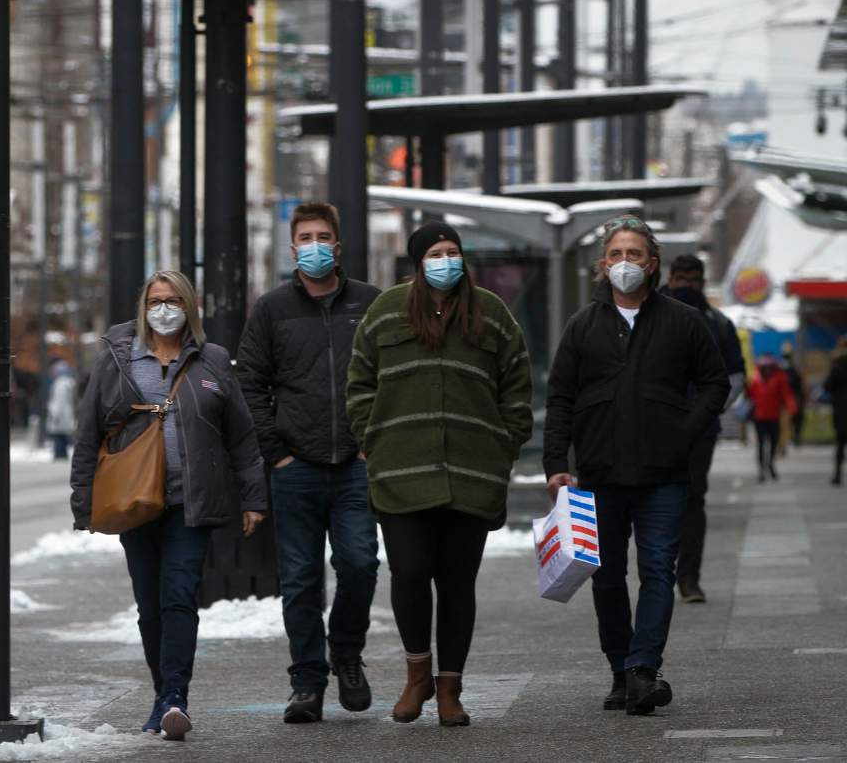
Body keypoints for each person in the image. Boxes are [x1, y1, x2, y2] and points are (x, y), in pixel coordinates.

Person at [347, 221, 533, 727]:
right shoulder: (386, 311)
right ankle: (416, 677)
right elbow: (359, 379)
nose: (445, 260)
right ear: (417, 261)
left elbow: (517, 381)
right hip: (400, 473)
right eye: (435, 252)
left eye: (453, 251)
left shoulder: (490, 313)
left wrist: (504, 445)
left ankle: (450, 687)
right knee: (407, 574)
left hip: (472, 474)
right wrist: (373, 439)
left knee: (457, 584)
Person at [544, 214, 729, 717]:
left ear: (653, 265)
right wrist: (556, 463)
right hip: (600, 474)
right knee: (605, 577)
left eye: (635, 255)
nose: (625, 263)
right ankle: (620, 669)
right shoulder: (583, 326)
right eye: (616, 255)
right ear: (603, 266)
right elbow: (560, 397)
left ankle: (643, 669)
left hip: (664, 475)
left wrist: (684, 431)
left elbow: (716, 384)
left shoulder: (683, 322)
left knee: (656, 570)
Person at [70, 270, 267, 741]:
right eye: (155, 300)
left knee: (179, 596)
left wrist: (253, 496)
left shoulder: (213, 361)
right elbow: (88, 435)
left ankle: (175, 696)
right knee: (149, 604)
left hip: (189, 504)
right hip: (134, 501)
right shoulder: (117, 361)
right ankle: (163, 696)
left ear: (189, 307)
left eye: (173, 300)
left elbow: (241, 435)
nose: (163, 309)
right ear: (143, 308)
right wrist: (83, 503)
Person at [236, 202, 381, 723]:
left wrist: (373, 443)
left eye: (324, 236)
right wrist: (276, 453)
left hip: (355, 465)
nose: (315, 245)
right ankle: (307, 682)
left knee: (361, 563)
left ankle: (345, 650)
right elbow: (249, 382)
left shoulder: (370, 303)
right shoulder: (272, 308)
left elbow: (391, 376)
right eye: (306, 237)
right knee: (299, 579)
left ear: (337, 246)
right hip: (294, 466)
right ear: (292, 246)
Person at [658, 254, 745, 604]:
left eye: (693, 280)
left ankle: (689, 577)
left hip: (698, 430)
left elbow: (735, 375)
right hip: (652, 427)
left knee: (692, 501)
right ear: (668, 277)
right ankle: (659, 573)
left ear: (703, 281)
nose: (686, 286)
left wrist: (709, 408)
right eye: (680, 278)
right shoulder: (644, 314)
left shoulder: (718, 323)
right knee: (650, 502)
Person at [747, 354, 796, 483]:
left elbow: (786, 394)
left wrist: (791, 407)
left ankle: (771, 464)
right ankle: (761, 470)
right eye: (764, 367)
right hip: (759, 417)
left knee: (774, 442)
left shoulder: (780, 378)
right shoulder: (755, 378)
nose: (766, 369)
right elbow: (750, 394)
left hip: (774, 416)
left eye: (769, 367)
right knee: (761, 444)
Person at [824, 335, 847, 487]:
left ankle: (838, 474)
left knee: (840, 442)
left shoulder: (837, 364)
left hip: (841, 410)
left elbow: (828, 386)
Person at [45, 360, 77, 460]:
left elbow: (59, 402)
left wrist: (55, 414)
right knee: (63, 434)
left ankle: (59, 454)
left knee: (58, 435)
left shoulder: (60, 384)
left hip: (60, 414)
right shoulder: (69, 383)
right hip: (66, 413)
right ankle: (62, 454)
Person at [780, 342, 806, 449]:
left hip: (788, 398)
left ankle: (787, 441)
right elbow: (800, 384)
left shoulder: (781, 368)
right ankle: (792, 439)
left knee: (786, 421)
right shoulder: (794, 369)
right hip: (791, 398)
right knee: (794, 419)